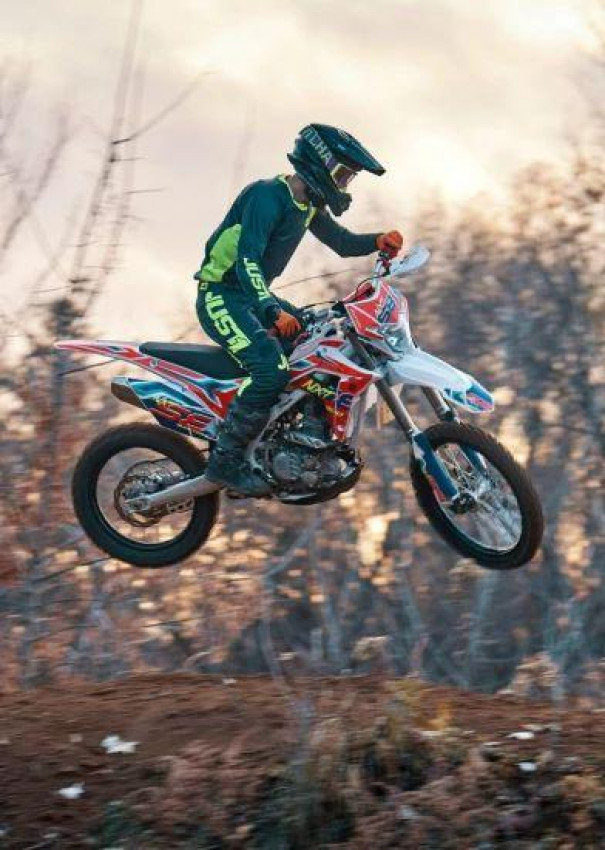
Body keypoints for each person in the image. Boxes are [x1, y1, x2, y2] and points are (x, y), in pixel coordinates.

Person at [195, 123, 404, 496]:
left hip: (253, 296)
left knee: (320, 338)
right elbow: (247, 261)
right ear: (320, 163)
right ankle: (225, 462)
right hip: (222, 296)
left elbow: (341, 242)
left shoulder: (306, 206)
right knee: (271, 370)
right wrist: (272, 311)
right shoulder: (267, 196)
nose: (345, 185)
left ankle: (295, 438)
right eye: (343, 175)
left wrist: (377, 241)